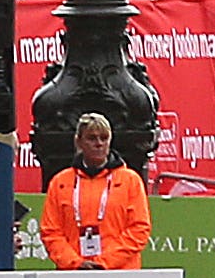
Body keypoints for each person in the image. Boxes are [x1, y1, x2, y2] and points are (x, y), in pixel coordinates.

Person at [44, 113, 151, 269]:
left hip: (120, 272)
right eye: (92, 138)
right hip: (73, 273)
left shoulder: (130, 181)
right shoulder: (60, 182)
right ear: (79, 142)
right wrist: (76, 263)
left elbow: (139, 229)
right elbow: (51, 231)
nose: (99, 143)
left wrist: (104, 263)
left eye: (104, 138)